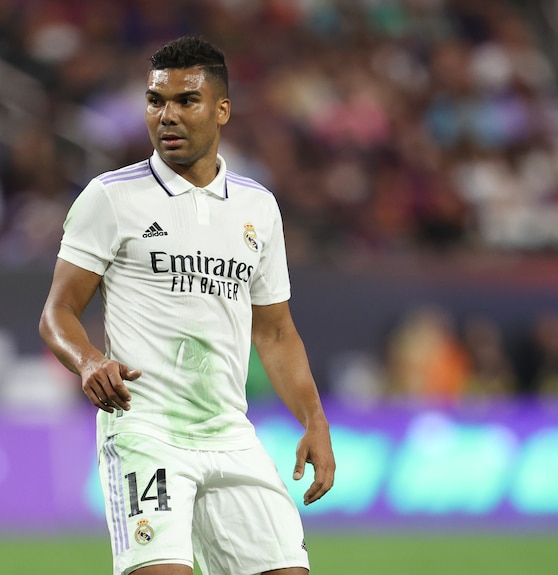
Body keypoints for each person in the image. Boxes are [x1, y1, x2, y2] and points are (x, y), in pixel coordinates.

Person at [39, 35, 335, 575]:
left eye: (186, 101)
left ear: (222, 110)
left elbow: (274, 332)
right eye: (156, 101)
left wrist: (314, 419)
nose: (167, 116)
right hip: (146, 431)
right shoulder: (111, 197)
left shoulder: (257, 207)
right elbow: (57, 312)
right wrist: (87, 361)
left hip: (229, 432)